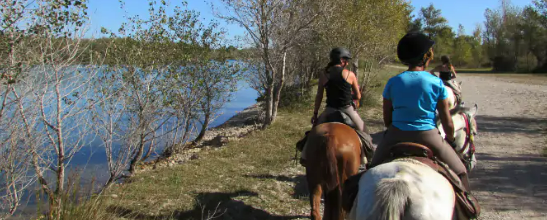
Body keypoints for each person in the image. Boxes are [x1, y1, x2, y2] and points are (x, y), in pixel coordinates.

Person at [369, 32, 470, 191]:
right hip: (428, 135)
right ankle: (469, 207)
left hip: (396, 134)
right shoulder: (436, 82)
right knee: (461, 171)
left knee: (371, 168)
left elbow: (387, 120)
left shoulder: (393, 82)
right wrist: (449, 138)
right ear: (425, 56)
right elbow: (447, 122)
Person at [297, 47, 368, 167]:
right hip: (347, 109)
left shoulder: (324, 74)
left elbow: (319, 96)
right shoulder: (350, 74)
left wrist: (315, 114)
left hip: (329, 110)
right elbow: (358, 96)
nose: (347, 62)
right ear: (341, 60)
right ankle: (366, 158)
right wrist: (350, 95)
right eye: (346, 60)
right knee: (364, 130)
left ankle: (304, 156)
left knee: (314, 131)